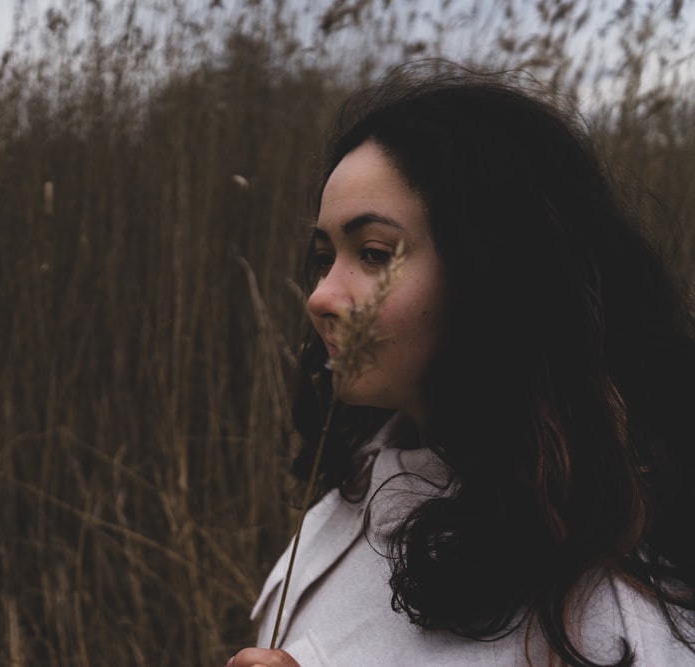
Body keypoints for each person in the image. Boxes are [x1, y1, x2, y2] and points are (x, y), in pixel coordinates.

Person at [227, 63, 695, 667]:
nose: (320, 296)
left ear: (493, 272)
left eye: (373, 253)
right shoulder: (357, 482)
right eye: (325, 255)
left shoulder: (609, 611)